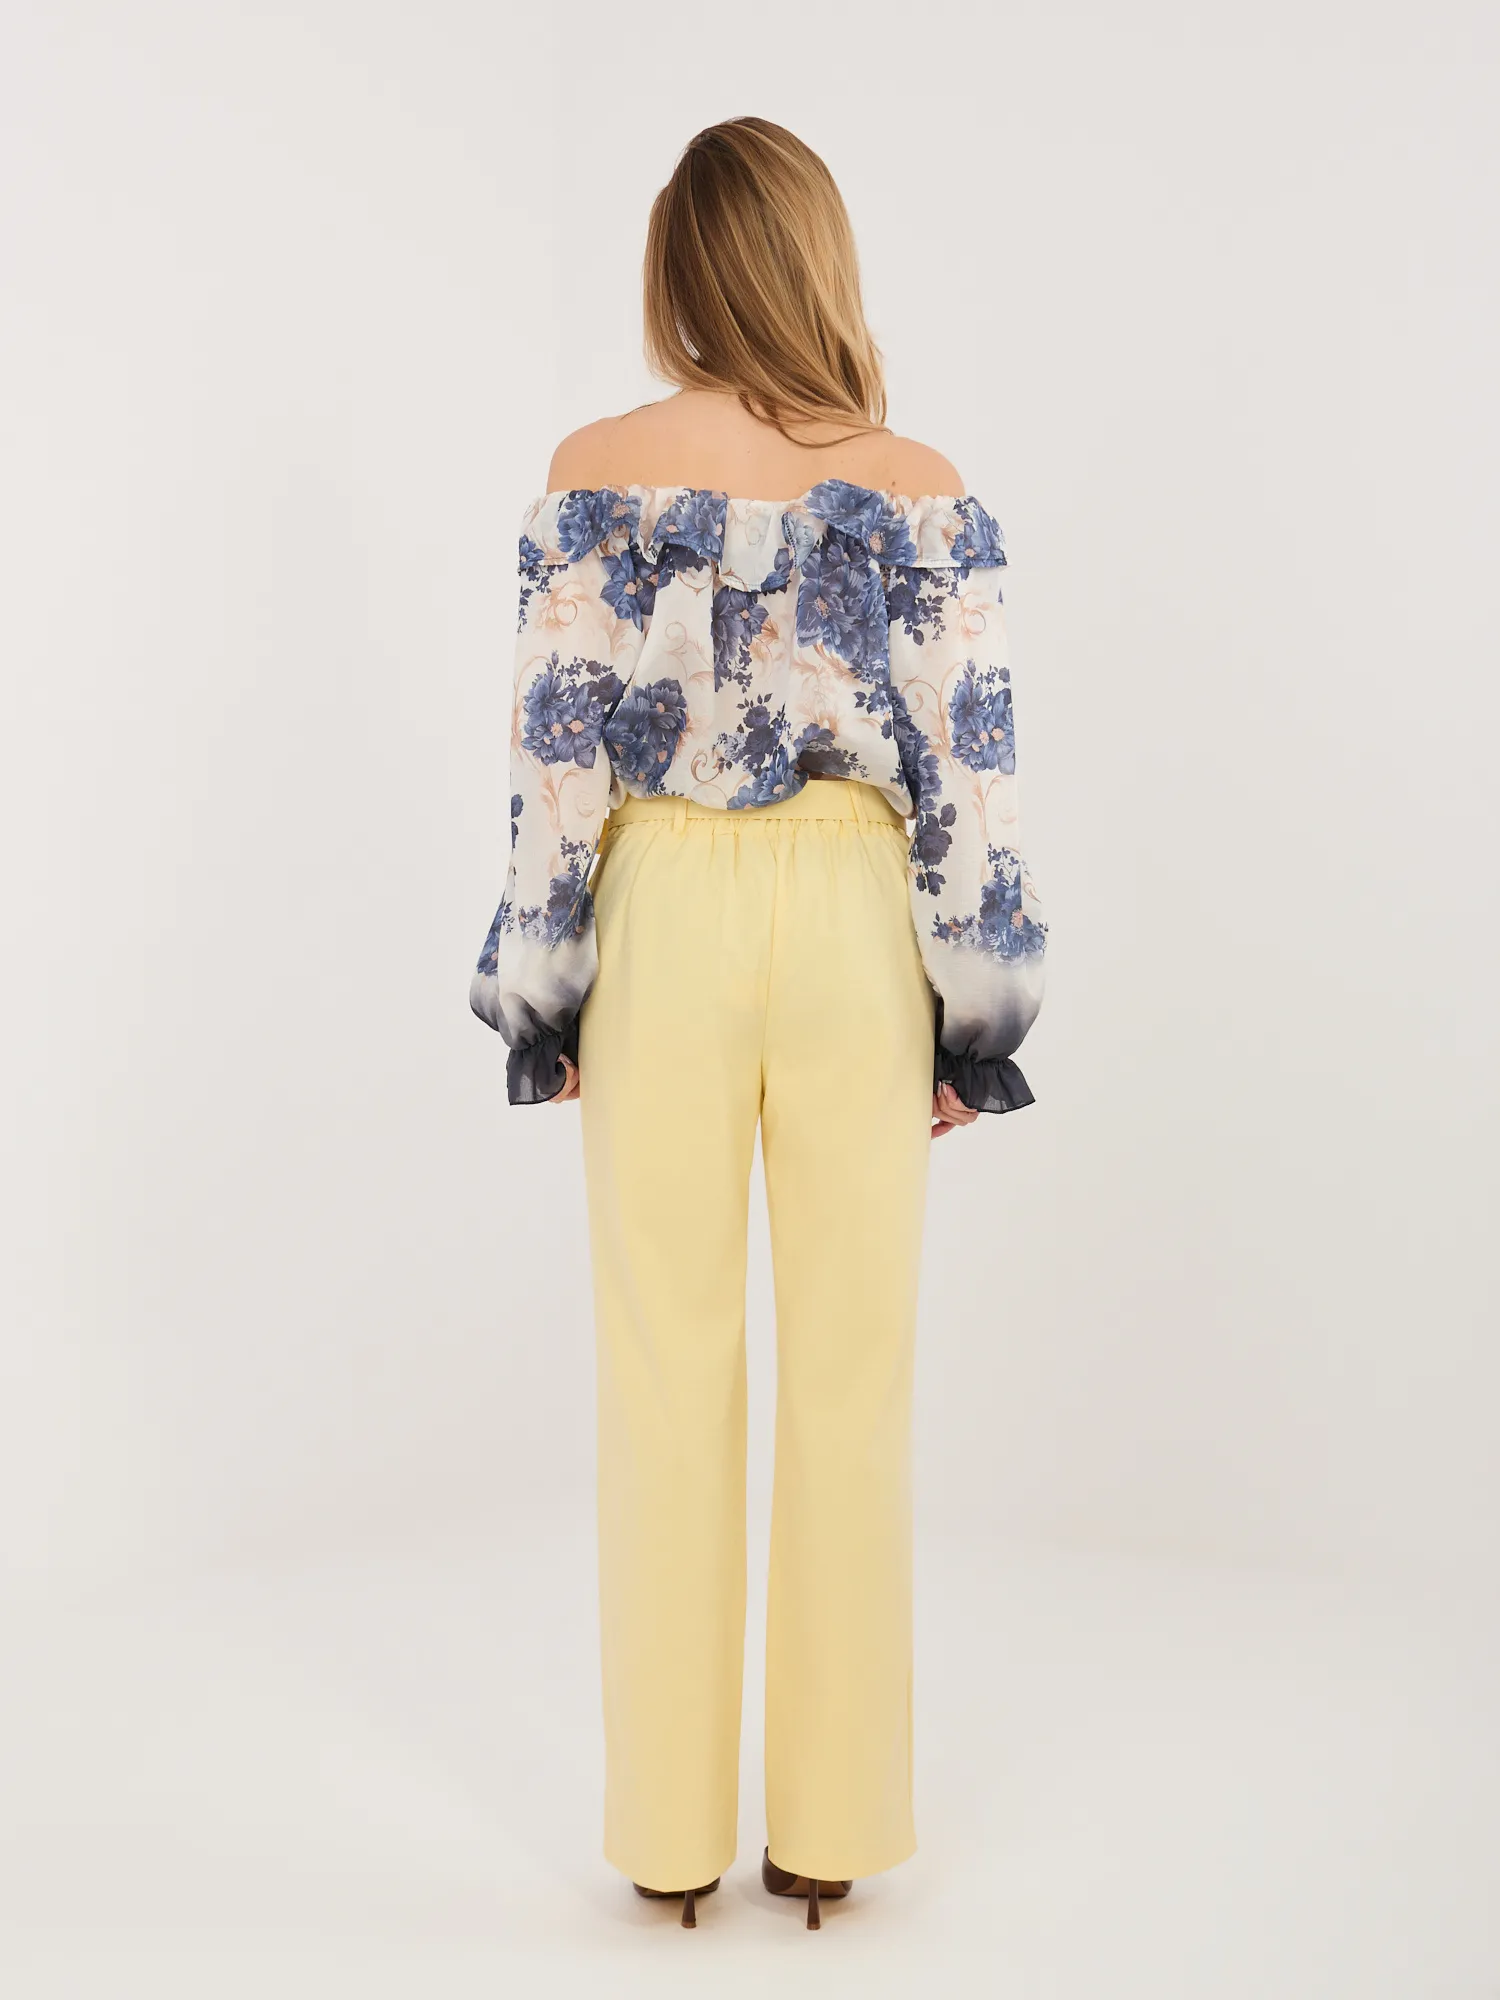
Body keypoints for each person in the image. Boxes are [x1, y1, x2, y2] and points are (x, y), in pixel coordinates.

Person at [470, 116, 1047, 1930]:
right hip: (859, 913)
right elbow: (971, 778)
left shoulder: (593, 470)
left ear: (679, 270)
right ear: (815, 260)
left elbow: (554, 765)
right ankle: (830, 1829)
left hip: (661, 905)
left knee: (663, 1364)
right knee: (853, 1375)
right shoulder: (920, 482)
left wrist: (543, 990)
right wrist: (974, 1019)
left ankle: (665, 1842)